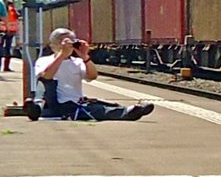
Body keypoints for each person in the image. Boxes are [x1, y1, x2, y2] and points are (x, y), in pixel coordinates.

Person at [25, 27, 155, 121]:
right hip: (54, 102)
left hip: (75, 102)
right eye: (62, 41)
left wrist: (85, 56)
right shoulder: (45, 61)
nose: (67, 45)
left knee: (99, 106)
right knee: (97, 111)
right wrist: (61, 56)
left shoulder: (77, 62)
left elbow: (92, 76)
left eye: (71, 41)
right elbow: (46, 76)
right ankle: (35, 109)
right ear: (53, 45)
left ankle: (130, 110)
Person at [0, 0, 17, 72]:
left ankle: (6, 67)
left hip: (7, 31)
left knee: (5, 49)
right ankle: (6, 67)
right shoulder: (12, 10)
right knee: (6, 49)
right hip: (7, 31)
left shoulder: (12, 10)